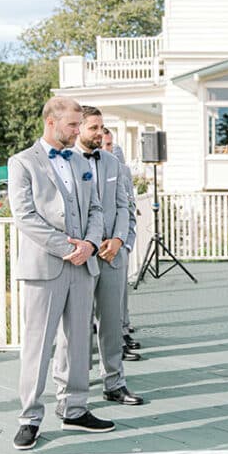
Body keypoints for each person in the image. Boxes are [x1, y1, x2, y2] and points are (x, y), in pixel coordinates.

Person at [8, 96, 113, 451]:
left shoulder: (80, 161)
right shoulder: (22, 163)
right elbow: (25, 216)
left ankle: (75, 407)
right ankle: (29, 418)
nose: (77, 131)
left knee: (78, 341)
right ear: (52, 123)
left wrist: (90, 244)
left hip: (84, 265)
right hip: (46, 267)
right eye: (72, 125)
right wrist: (67, 247)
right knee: (39, 345)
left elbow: (97, 208)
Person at [54, 107, 143, 406]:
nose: (100, 133)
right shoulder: (63, 161)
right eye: (94, 127)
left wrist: (119, 240)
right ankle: (68, 390)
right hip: (79, 254)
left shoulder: (112, 162)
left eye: (102, 128)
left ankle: (115, 382)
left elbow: (123, 206)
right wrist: (84, 245)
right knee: (73, 327)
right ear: (78, 128)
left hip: (111, 254)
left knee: (112, 322)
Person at [103, 129, 141, 353]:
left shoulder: (121, 170)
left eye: (109, 144)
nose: (106, 149)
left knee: (119, 297)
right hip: (92, 248)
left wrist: (125, 243)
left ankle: (121, 335)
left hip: (118, 245)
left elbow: (129, 207)